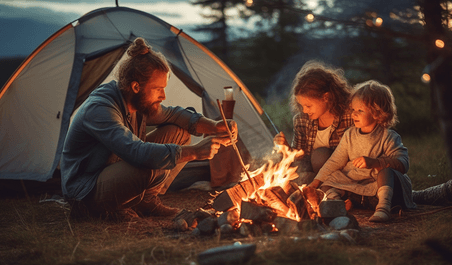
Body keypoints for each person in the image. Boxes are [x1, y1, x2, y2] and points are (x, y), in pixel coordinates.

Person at [61, 37, 237, 222]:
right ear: (136, 86)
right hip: (86, 189)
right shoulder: (100, 110)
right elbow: (136, 152)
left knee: (179, 132)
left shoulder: (135, 101)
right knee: (151, 164)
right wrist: (195, 152)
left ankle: (145, 202)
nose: (163, 95)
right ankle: (108, 208)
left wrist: (215, 126)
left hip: (112, 169)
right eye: (158, 89)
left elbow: (174, 115)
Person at [309, 80, 416, 222]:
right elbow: (335, 161)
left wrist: (375, 162)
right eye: (353, 110)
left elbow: (403, 164)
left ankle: (383, 209)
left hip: (379, 189)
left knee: (386, 172)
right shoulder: (349, 134)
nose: (354, 114)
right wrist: (315, 183)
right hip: (356, 188)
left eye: (360, 111)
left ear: (378, 113)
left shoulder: (388, 136)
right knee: (328, 182)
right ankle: (337, 204)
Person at [273, 60, 353, 184]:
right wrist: (286, 147)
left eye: (308, 106)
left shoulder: (349, 117)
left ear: (326, 97)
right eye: (302, 105)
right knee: (286, 177)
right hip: (312, 174)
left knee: (320, 155)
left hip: (342, 174)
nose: (304, 110)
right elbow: (300, 159)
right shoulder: (302, 120)